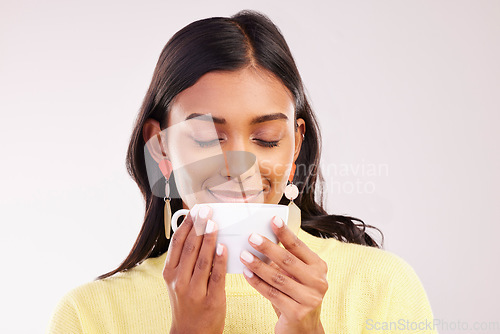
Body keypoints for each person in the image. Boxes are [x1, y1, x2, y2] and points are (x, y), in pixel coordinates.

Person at [47, 10, 437, 334]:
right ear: (160, 146)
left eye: (266, 138)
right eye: (205, 138)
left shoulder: (383, 287)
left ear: (296, 144)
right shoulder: (90, 316)